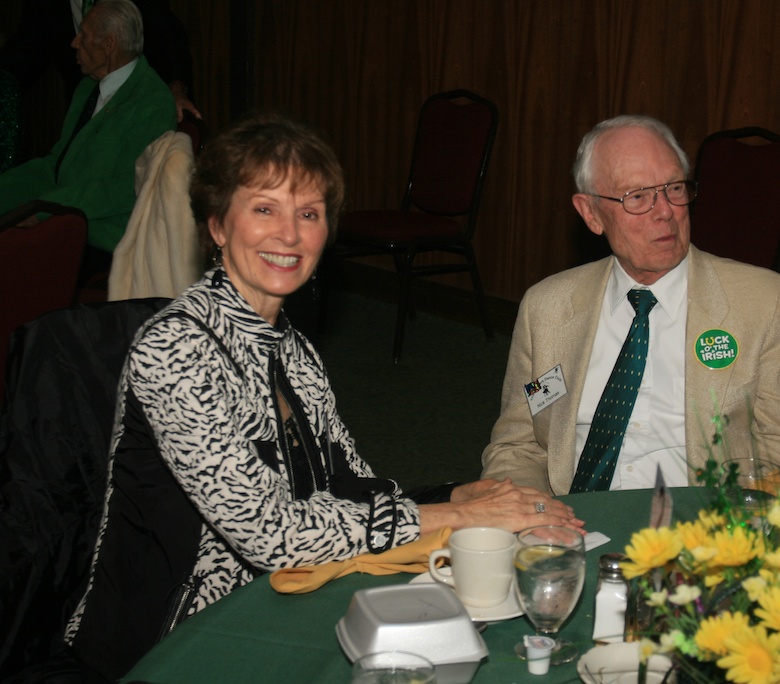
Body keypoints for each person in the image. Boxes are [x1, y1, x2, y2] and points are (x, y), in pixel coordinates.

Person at [63, 111, 583, 683]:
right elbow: (272, 534)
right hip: (177, 634)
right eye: (265, 208)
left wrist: (461, 491)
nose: (290, 234)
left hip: (287, 596)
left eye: (308, 214)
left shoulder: (292, 350)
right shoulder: (177, 349)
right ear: (216, 224)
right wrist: (460, 515)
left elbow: (355, 490)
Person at [481, 114, 780, 495]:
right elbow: (518, 447)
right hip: (574, 521)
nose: (665, 211)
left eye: (675, 188)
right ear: (591, 213)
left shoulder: (764, 303)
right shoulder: (546, 309)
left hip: (702, 528)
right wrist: (539, 516)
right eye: (638, 196)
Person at [0, 0, 176, 279]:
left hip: (104, 235)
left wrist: (44, 209)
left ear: (108, 45)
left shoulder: (151, 101)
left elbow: (125, 187)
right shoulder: (87, 88)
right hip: (66, 216)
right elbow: (57, 165)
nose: (73, 43)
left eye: (82, 36)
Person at [0, 0, 200, 121]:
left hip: (141, 99)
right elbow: (27, 48)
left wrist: (177, 89)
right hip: (85, 105)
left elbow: (168, 35)